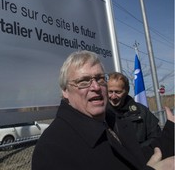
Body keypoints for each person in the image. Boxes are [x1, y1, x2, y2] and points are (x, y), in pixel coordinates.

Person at [32, 50, 174, 170]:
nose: (96, 87)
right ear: (65, 91)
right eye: (83, 81)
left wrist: (171, 132)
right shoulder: (52, 148)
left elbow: (138, 157)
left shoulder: (113, 121)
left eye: (100, 78)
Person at [107, 72, 162, 147]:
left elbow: (157, 138)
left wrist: (138, 151)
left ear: (127, 90)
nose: (113, 97)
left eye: (118, 92)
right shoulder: (100, 114)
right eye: (110, 92)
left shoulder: (142, 112)